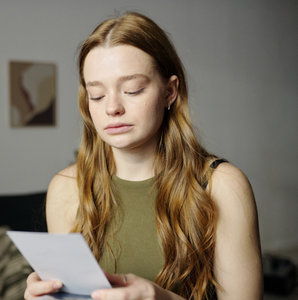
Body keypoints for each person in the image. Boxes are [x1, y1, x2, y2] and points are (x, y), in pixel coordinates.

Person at [25, 12, 262, 300]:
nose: (112, 107)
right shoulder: (66, 187)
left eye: (132, 90)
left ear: (170, 91)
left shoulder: (222, 185)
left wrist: (162, 298)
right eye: (97, 95)